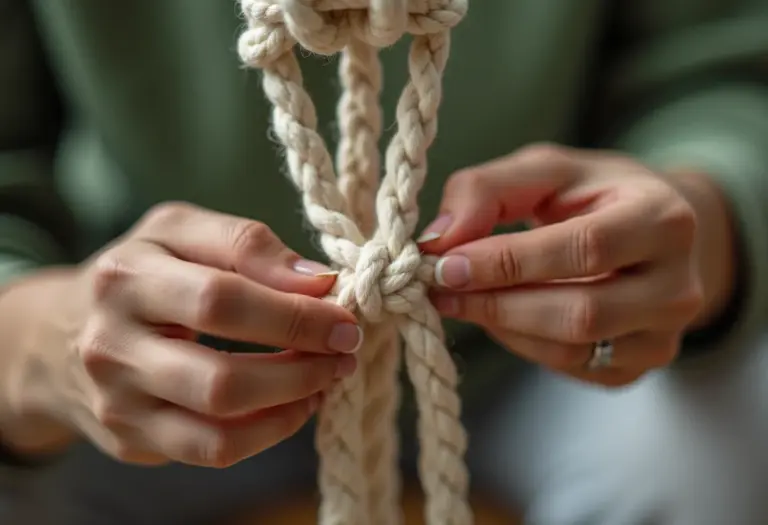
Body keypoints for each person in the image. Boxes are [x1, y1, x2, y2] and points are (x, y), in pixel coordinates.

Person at [1, 1, 768, 524]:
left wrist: (703, 215)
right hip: (139, 362)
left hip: (534, 353)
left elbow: (722, 63)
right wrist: (41, 341)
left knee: (737, 428)